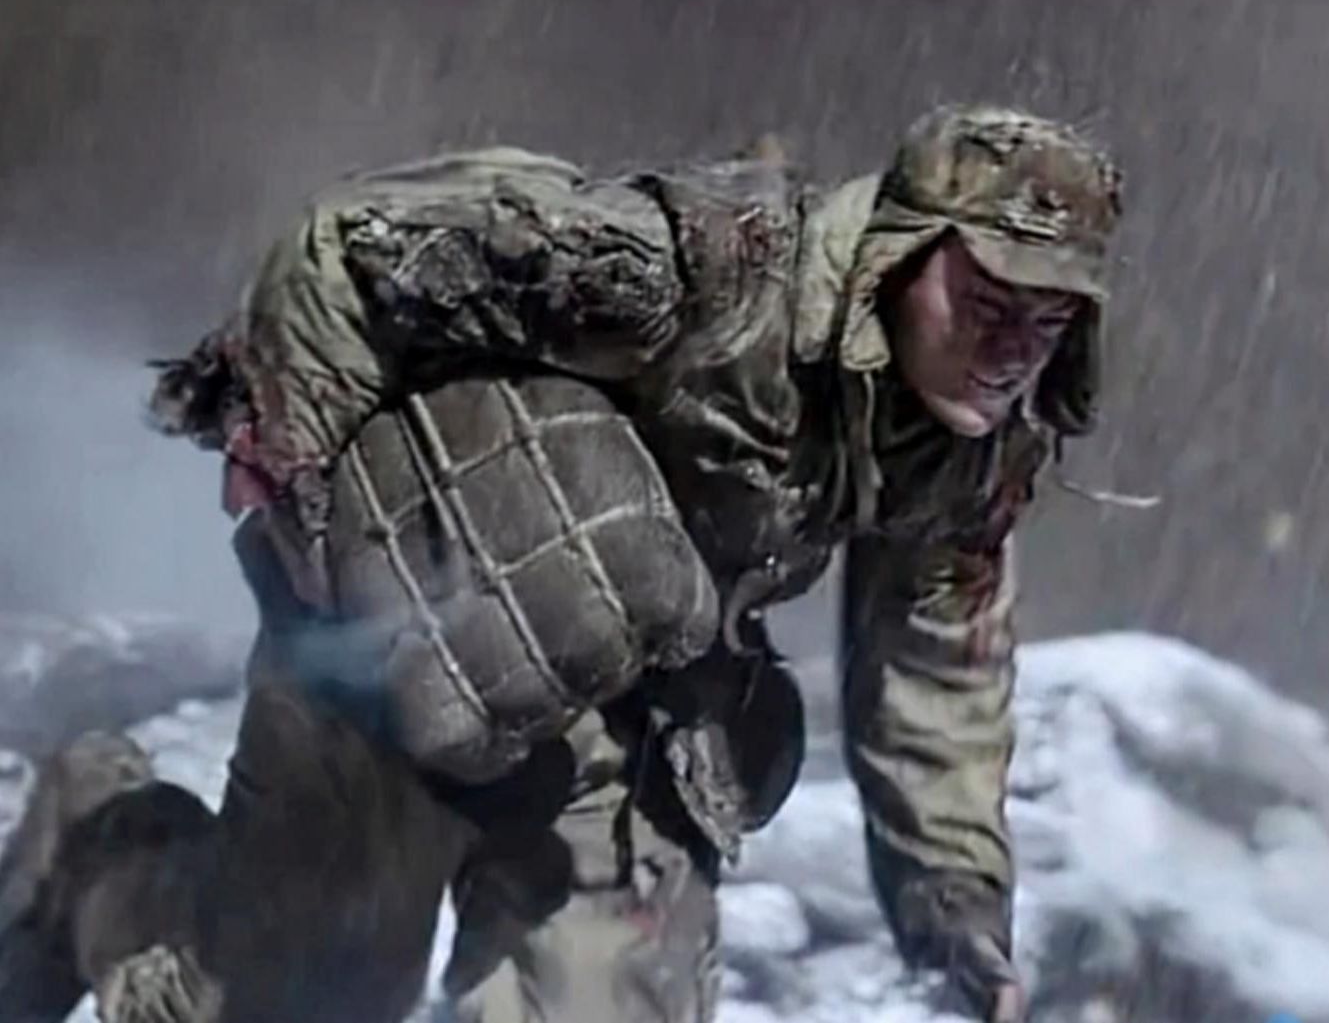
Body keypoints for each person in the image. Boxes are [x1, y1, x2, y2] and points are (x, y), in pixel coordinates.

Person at [0, 104, 1124, 1023]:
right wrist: (307, 491)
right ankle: (94, 841)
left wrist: (957, 909)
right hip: (409, 647)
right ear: (898, 254)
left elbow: (938, 672)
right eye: (984, 301)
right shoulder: (706, 272)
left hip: (633, 738)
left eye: (1048, 320)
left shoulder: (972, 455)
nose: (1010, 351)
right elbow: (345, 244)